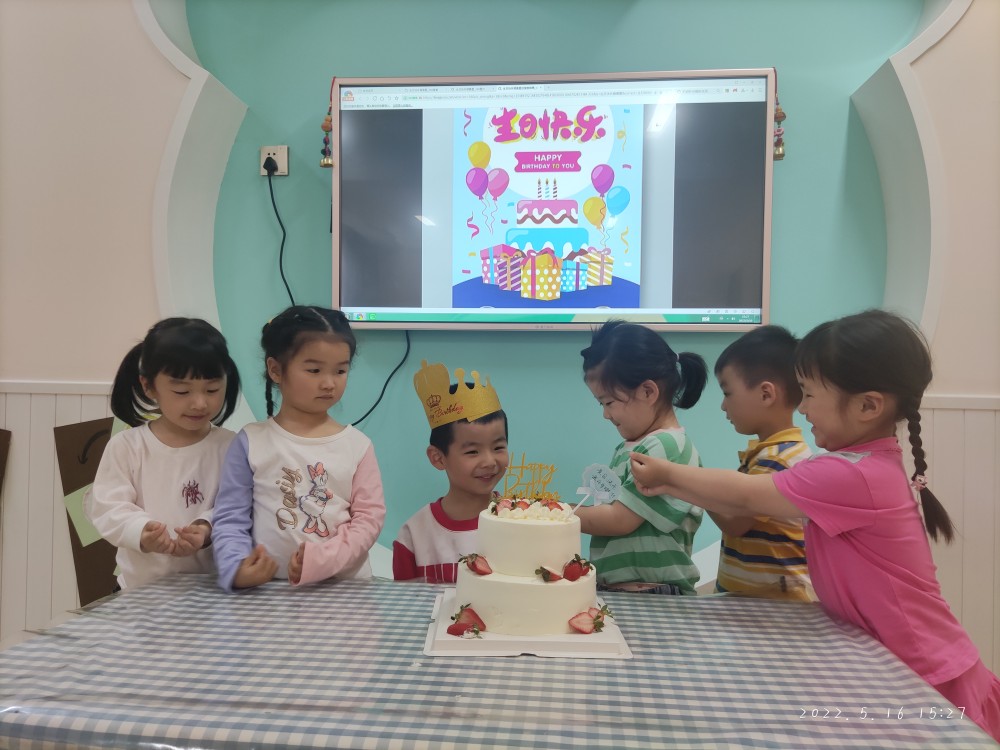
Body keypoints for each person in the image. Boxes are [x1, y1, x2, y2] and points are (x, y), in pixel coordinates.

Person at [630, 309, 1000, 741]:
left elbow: (746, 496)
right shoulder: (860, 465)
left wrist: (668, 473)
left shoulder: (851, 475)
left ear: (867, 406)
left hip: (926, 675)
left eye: (808, 394)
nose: (802, 407)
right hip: (904, 664)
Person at [211, 305, 386, 591]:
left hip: (344, 590)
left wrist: (322, 560)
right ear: (276, 370)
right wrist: (237, 567)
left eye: (340, 370)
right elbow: (231, 517)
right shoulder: (250, 441)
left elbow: (368, 520)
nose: (329, 383)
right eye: (314, 370)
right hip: (270, 594)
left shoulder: (357, 446)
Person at [85, 317, 241, 589]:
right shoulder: (128, 446)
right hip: (141, 591)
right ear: (148, 386)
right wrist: (141, 531)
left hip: (212, 593)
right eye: (182, 391)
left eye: (212, 389)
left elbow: (239, 506)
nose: (199, 403)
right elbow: (107, 507)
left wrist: (206, 528)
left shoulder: (231, 446)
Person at [576, 320, 707, 595]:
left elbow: (620, 520)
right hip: (625, 589)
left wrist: (559, 515)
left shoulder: (665, 446)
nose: (605, 414)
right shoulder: (635, 446)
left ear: (648, 392)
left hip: (650, 592)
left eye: (609, 402)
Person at [711, 325, 815, 601]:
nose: (723, 406)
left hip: (776, 610)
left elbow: (735, 522)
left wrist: (686, 484)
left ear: (766, 394)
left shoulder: (779, 460)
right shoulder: (768, 454)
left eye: (727, 393)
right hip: (751, 603)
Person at [393, 360, 508, 583]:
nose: (489, 461)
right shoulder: (414, 536)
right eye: (472, 451)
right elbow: (405, 599)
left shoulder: (520, 521)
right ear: (438, 458)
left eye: (498, 447)